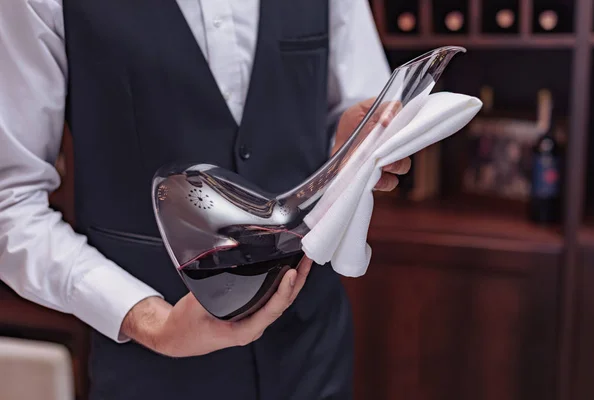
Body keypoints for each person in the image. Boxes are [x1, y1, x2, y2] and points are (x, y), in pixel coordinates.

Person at [0, 0, 411, 399]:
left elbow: (355, 108)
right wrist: (150, 320)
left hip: (312, 350)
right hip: (152, 367)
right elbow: (11, 203)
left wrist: (352, 148)